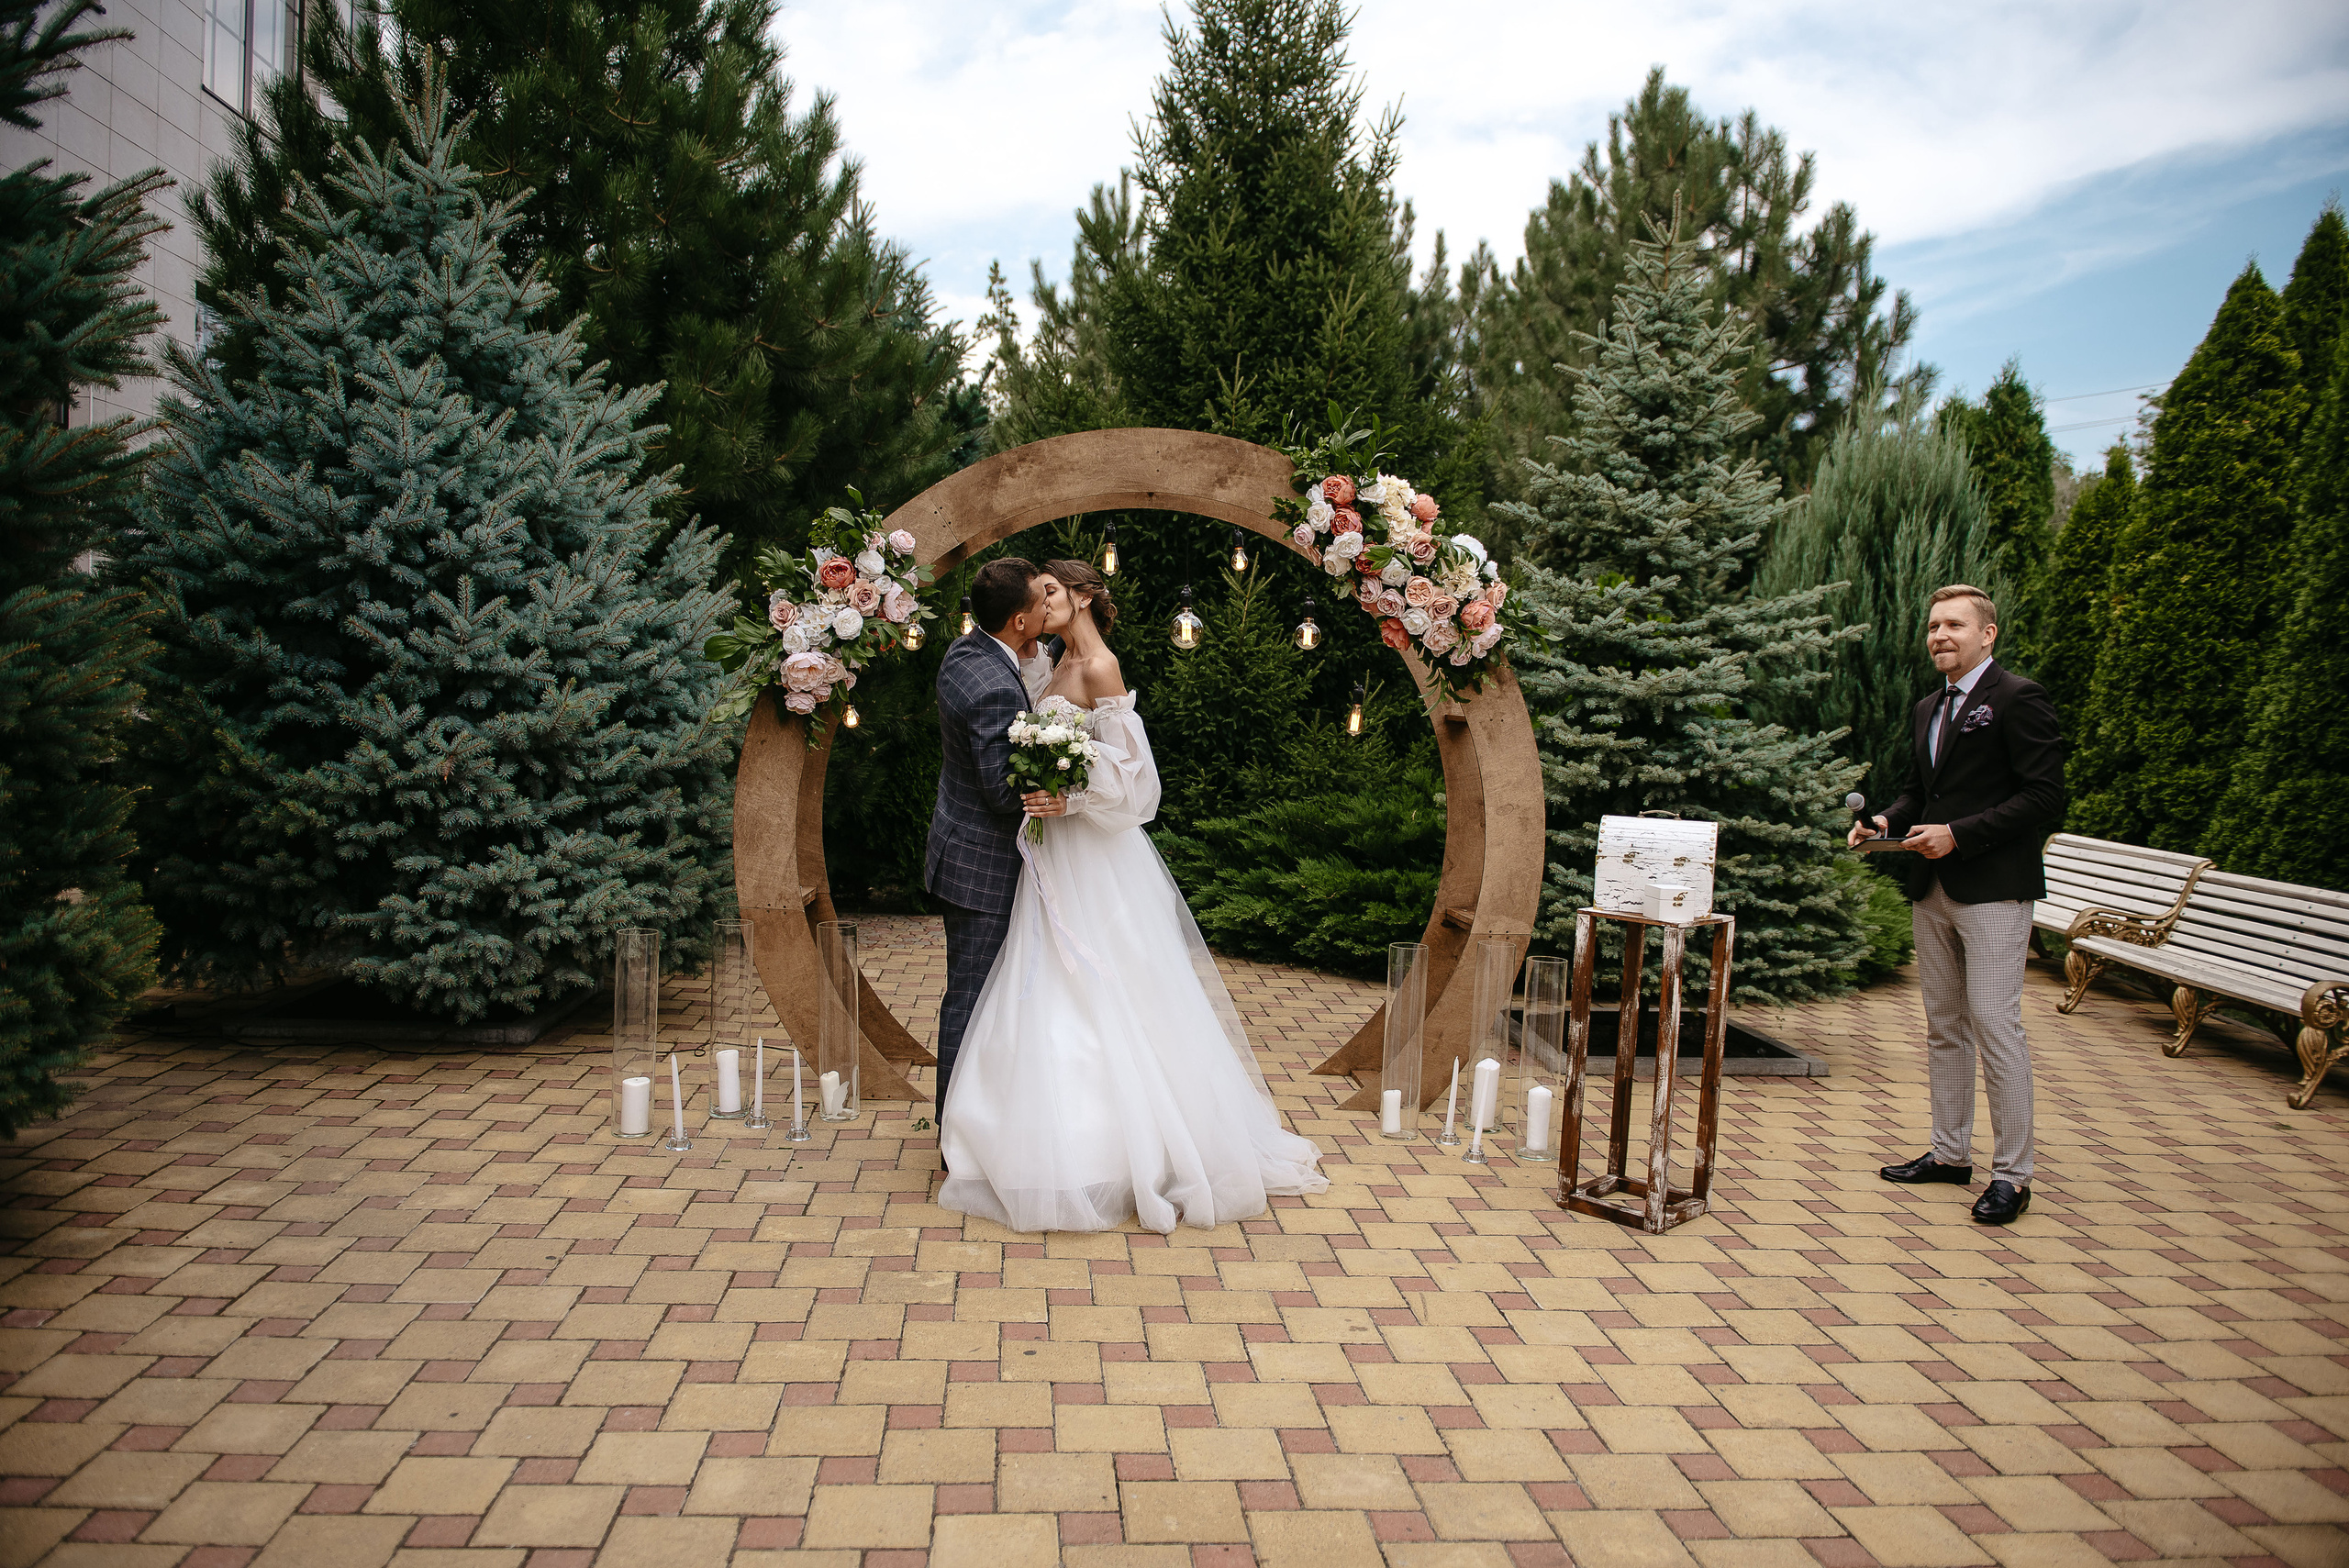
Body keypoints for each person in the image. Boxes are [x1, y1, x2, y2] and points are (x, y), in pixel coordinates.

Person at [937, 559, 1329, 1232]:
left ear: (1084, 596)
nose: (1042, 603)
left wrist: (1073, 796)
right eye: (1037, 596)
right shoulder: (1043, 662)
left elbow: (1140, 787)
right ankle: (1019, 1129)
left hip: (1092, 849)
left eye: (1053, 590)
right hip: (1049, 856)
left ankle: (1128, 1146)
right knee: (1044, 983)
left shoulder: (1101, 670)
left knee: (1113, 985)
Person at [1850, 584, 2065, 1225]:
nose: (1940, 634)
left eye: (1954, 625)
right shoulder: (1927, 708)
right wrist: (1885, 821)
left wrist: (1960, 833)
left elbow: (2045, 796)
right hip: (1933, 891)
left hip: (1995, 887)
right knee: (1945, 1027)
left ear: (1987, 634)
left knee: (1997, 1026)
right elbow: (1921, 792)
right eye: (1934, 625)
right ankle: (1949, 1153)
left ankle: (2013, 1175)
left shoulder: (2019, 698)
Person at [924, 559, 1060, 1134]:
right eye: (1039, 603)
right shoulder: (994, 688)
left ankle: (976, 1121)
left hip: (959, 850)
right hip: (982, 867)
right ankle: (954, 1130)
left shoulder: (969, 653)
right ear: (1020, 620)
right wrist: (1064, 778)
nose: (1048, 610)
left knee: (976, 995)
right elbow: (1003, 792)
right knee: (972, 999)